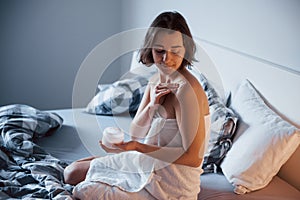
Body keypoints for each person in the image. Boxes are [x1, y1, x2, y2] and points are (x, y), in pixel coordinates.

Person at [64, 11, 210, 199]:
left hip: (171, 183)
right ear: (150, 49)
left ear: (186, 49)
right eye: (160, 51)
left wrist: (137, 147)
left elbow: (193, 157)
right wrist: (151, 106)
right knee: (71, 171)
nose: (167, 59)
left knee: (81, 188)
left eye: (175, 50)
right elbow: (137, 132)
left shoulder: (186, 91)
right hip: (148, 163)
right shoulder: (156, 81)